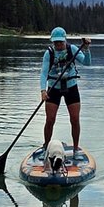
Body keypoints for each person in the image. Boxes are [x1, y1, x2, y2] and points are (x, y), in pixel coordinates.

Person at [39, 26, 91, 155]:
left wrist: (87, 49)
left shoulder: (72, 49)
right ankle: (46, 146)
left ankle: (75, 148)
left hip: (71, 87)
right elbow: (44, 73)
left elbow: (87, 63)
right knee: (50, 119)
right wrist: (43, 90)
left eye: (60, 42)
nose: (58, 44)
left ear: (65, 40)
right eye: (56, 42)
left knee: (74, 119)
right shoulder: (49, 53)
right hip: (53, 88)